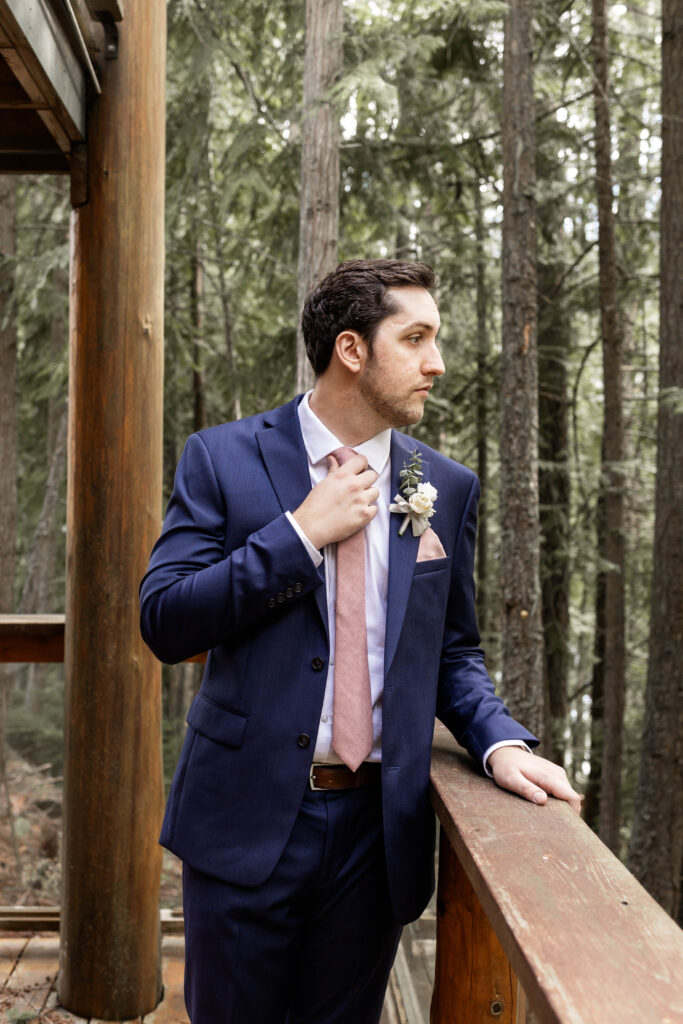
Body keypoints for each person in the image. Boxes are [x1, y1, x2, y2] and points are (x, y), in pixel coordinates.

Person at [140, 259, 580, 1024]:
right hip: (246, 822)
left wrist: (499, 743)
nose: (434, 363)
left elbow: (451, 654)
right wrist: (301, 534)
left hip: (377, 837)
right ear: (351, 349)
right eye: (414, 339)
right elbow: (166, 620)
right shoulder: (222, 457)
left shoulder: (443, 484)